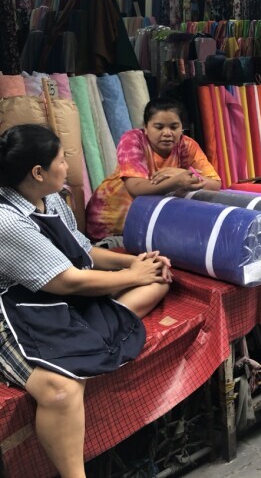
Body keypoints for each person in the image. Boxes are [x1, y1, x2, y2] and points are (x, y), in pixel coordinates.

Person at [0, 124, 172, 478]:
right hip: (15, 311)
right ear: (38, 172)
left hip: (60, 297)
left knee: (159, 281)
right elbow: (66, 280)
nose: (68, 165)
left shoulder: (50, 199)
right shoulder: (6, 220)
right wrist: (131, 277)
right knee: (60, 390)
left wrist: (138, 263)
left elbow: (83, 251)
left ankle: (102, 328)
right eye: (62, 159)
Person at [86, 98, 221, 242]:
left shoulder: (187, 145)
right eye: (159, 127)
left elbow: (215, 184)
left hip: (147, 224)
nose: (167, 133)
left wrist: (181, 175)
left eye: (174, 127)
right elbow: (135, 188)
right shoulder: (133, 140)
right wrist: (177, 180)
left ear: (182, 127)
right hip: (109, 223)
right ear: (146, 127)